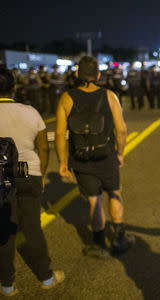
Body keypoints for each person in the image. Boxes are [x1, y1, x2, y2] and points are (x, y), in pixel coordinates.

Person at [55, 56, 134, 258]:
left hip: (81, 160)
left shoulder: (66, 98)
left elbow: (59, 135)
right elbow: (122, 130)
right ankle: (119, 239)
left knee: (94, 201)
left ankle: (99, 245)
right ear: (98, 75)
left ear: (77, 75)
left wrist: (63, 163)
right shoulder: (109, 96)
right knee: (115, 193)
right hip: (106, 156)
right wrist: (120, 153)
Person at [0, 68, 64, 296]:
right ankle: (46, 278)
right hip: (27, 172)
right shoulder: (30, 112)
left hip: (1, 177)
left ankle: (7, 284)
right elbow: (43, 147)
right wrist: (42, 174)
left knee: (4, 230)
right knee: (32, 228)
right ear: (14, 87)